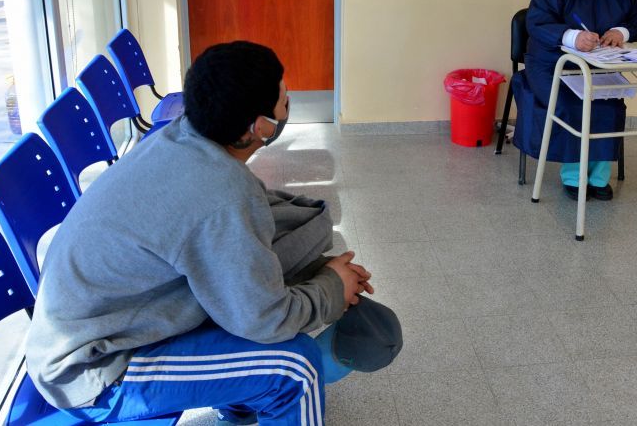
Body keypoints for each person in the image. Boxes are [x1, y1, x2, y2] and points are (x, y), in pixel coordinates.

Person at [26, 42, 400, 425]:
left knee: (263, 286)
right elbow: (266, 319)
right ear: (260, 128)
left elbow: (231, 255)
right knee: (295, 368)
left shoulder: (181, 136)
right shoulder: (221, 193)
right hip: (94, 369)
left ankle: (242, 406)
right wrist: (331, 288)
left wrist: (324, 277)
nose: (289, 103)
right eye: (283, 99)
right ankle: (257, 396)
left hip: (111, 325)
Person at [513, 0, 637, 201]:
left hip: (598, 65)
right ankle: (574, 177)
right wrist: (572, 36)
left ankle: (598, 178)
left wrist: (621, 32)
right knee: (573, 104)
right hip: (550, 63)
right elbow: (536, 22)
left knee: (609, 105)